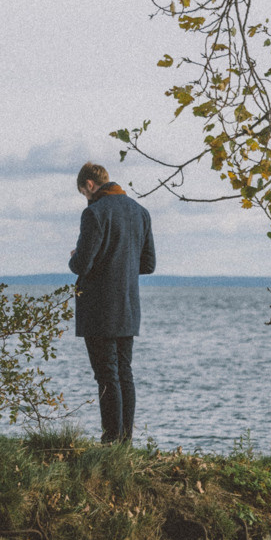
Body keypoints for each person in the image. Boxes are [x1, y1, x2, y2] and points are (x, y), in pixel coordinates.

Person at [69, 161, 156, 443]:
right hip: (128, 305)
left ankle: (111, 439)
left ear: (90, 185)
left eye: (84, 192)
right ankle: (124, 441)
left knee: (107, 375)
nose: (85, 197)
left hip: (99, 307)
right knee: (124, 373)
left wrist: (74, 256)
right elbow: (148, 264)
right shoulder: (140, 212)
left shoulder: (94, 213)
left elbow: (82, 264)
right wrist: (122, 264)